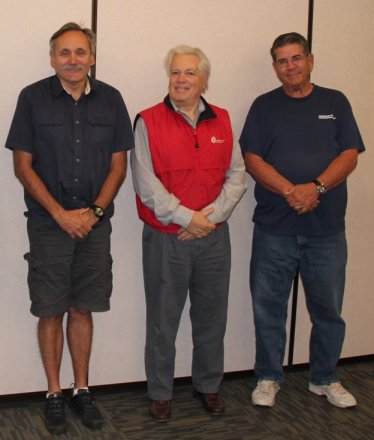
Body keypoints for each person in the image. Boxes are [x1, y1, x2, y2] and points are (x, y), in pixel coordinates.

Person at [5, 22, 134, 434]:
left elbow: (119, 165)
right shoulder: (32, 98)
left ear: (91, 57)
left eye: (80, 52)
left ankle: (81, 390)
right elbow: (22, 165)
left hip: (95, 225)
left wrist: (94, 212)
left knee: (82, 307)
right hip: (48, 224)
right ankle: (54, 393)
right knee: (50, 309)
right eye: (64, 52)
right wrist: (60, 213)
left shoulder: (111, 100)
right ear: (52, 58)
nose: (73, 60)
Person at [239, 32, 365, 409]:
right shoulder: (264, 106)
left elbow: (349, 154)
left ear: (310, 60)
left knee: (328, 310)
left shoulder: (335, 101)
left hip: (326, 231)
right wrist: (292, 190)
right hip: (275, 228)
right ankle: (268, 376)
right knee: (269, 308)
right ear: (274, 66)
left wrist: (317, 188)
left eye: (296, 58)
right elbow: (252, 159)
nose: (290, 66)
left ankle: (325, 378)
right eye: (281, 60)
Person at [131, 45, 247, 421]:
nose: (181, 80)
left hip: (214, 237)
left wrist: (208, 218)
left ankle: (209, 386)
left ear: (204, 80)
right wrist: (186, 218)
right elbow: (146, 183)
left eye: (189, 73)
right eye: (175, 73)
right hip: (167, 238)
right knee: (163, 320)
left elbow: (237, 175)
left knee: (212, 318)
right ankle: (160, 392)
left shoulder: (224, 120)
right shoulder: (148, 120)